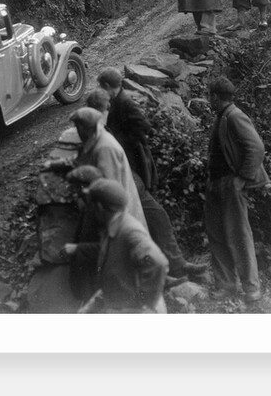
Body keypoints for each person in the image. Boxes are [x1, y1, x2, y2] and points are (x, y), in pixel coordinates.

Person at [93, 73, 207, 282]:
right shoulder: (102, 124)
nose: (107, 103)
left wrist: (127, 144)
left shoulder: (122, 104)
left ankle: (174, 267)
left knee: (155, 219)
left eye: (103, 88)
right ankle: (169, 270)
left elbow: (143, 128)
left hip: (133, 171)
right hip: (124, 179)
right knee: (151, 220)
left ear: (110, 87)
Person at [205, 76, 270, 303]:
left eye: (209, 96)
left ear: (215, 96)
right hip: (216, 184)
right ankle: (226, 286)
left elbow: (257, 147)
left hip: (230, 185)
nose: (208, 100)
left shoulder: (234, 116)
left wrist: (242, 178)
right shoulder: (222, 116)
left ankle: (251, 289)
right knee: (216, 234)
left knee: (239, 235)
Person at [65, 179, 168, 314]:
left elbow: (158, 263)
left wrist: (146, 303)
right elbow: (112, 279)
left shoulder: (129, 231)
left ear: (100, 207)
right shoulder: (113, 229)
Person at [42, 107, 147, 228]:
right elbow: (79, 161)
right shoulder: (93, 139)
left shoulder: (105, 148)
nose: (77, 131)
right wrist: (54, 164)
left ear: (84, 128)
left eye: (78, 127)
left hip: (117, 213)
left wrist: (83, 193)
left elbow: (108, 185)